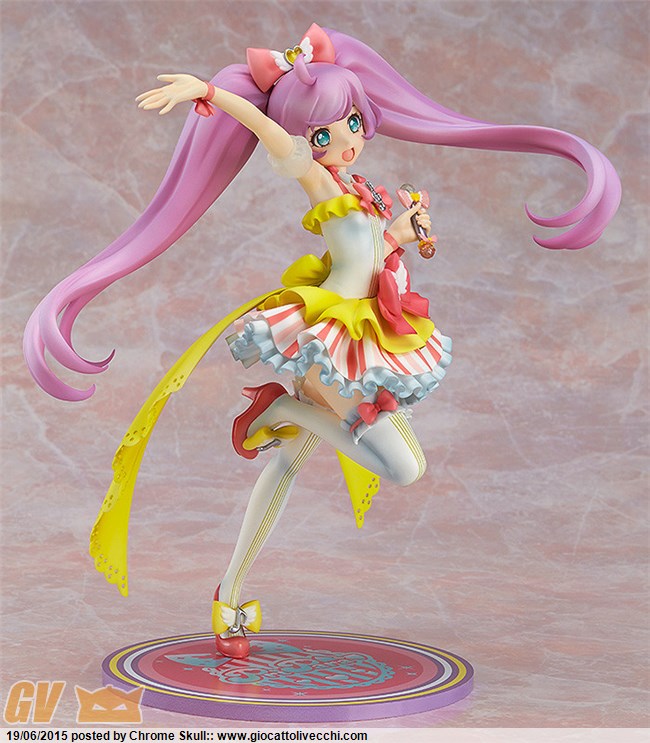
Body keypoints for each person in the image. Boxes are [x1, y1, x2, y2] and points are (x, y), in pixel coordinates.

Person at [23, 24, 621, 659]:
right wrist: (211, 94)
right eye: (327, 133)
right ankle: (280, 407)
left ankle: (230, 595)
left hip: (360, 330)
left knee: (286, 464)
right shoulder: (315, 177)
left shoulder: (358, 191)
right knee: (405, 467)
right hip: (333, 341)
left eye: (354, 123)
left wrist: (400, 234)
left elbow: (367, 256)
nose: (348, 140)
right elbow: (273, 134)